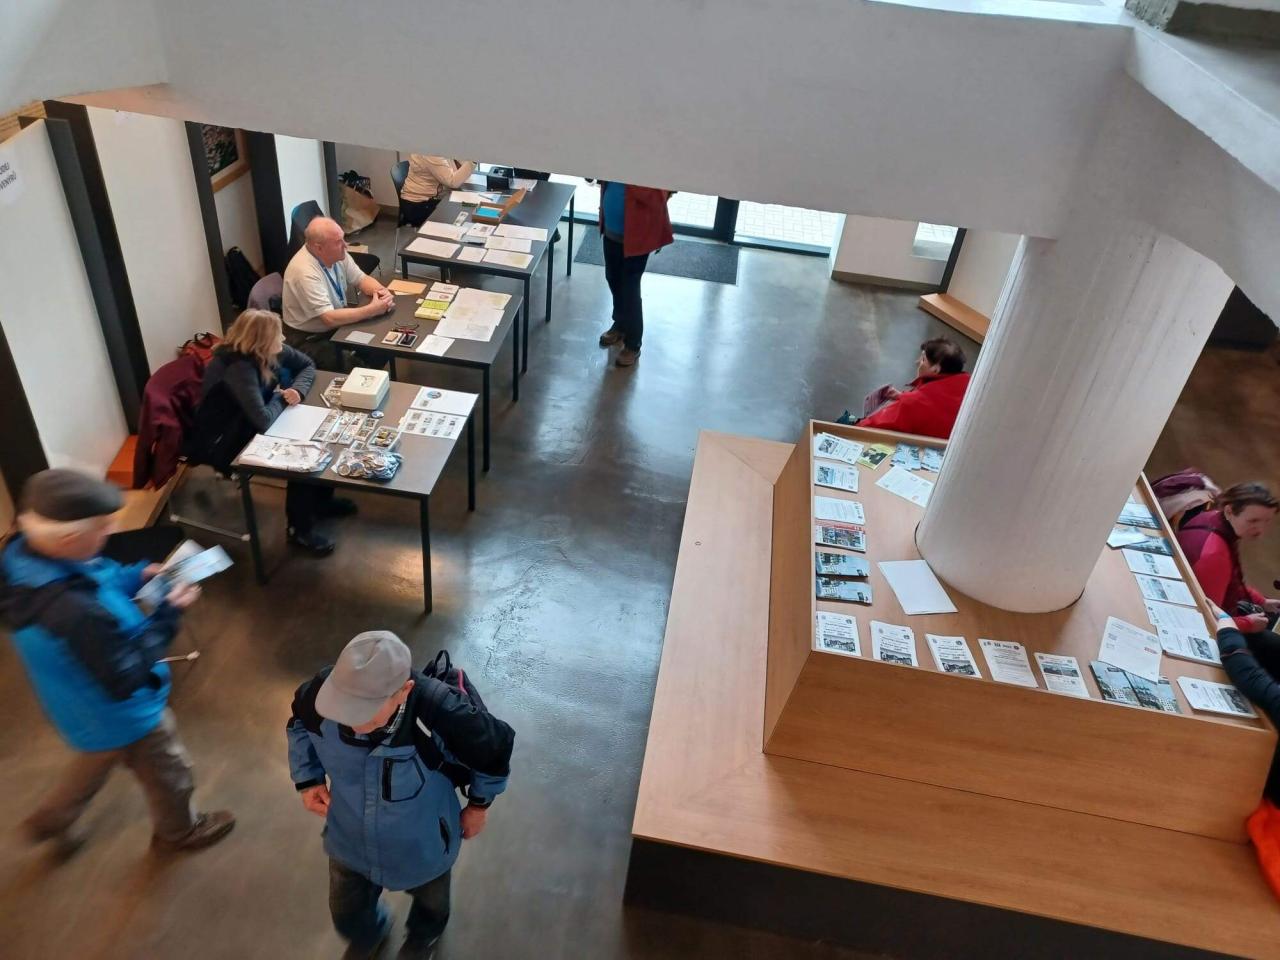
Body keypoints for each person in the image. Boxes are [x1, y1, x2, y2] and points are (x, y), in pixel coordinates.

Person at [0, 469, 235, 854]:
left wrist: (137, 575)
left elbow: (96, 576)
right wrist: (169, 613)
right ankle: (179, 832)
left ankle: (52, 820)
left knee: (95, 759)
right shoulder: (75, 614)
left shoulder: (24, 555)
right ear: (70, 538)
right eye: (102, 528)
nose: (110, 533)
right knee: (170, 771)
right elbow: (127, 673)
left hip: (80, 707)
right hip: (125, 713)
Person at [287, 632, 515, 959]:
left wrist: (479, 806)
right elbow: (298, 724)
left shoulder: (439, 711)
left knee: (432, 903)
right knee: (346, 908)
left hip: (423, 842)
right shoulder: (317, 697)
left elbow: (494, 750)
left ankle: (423, 938)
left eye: (365, 711)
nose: (351, 721)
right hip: (349, 837)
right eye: (343, 706)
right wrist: (308, 778)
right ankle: (369, 932)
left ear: (403, 691)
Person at [190, 309, 353, 557]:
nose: (283, 340)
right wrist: (281, 398)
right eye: (278, 336)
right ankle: (299, 530)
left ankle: (320, 503)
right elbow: (263, 420)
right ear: (262, 342)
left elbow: (307, 365)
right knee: (301, 457)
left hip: (252, 419)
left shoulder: (267, 349)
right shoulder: (239, 369)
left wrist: (297, 391)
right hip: (227, 439)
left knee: (320, 436)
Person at [282, 216, 394, 369]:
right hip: (309, 337)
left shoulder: (336, 254)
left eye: (343, 239)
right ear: (319, 248)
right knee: (353, 365)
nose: (345, 245)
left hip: (335, 323)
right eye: (338, 242)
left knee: (381, 342)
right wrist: (372, 310)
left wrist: (381, 292)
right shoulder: (304, 273)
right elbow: (329, 318)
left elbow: (361, 279)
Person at [1177, 482, 1280, 634]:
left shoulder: (1213, 517)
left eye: (1266, 521)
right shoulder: (1215, 555)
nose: (1260, 529)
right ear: (1229, 511)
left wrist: (1261, 601)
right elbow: (1207, 618)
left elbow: (1229, 580)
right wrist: (1248, 624)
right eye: (1253, 521)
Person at [595, 182, 674, 368]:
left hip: (637, 235)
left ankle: (633, 343)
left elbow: (659, 195)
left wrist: (629, 179)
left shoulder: (649, 168)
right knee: (613, 278)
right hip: (611, 230)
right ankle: (621, 324)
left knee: (630, 288)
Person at [853, 337, 971, 439]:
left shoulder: (914, 403)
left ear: (936, 369)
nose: (917, 362)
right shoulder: (970, 386)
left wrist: (855, 426)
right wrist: (903, 396)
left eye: (923, 359)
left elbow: (873, 426)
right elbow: (937, 404)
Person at [400, 155, 477, 226]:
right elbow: (452, 182)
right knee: (462, 211)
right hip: (418, 205)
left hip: (428, 199)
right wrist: (473, 160)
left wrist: (468, 158)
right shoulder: (432, 154)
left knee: (468, 206)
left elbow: (455, 169)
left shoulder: (438, 149)